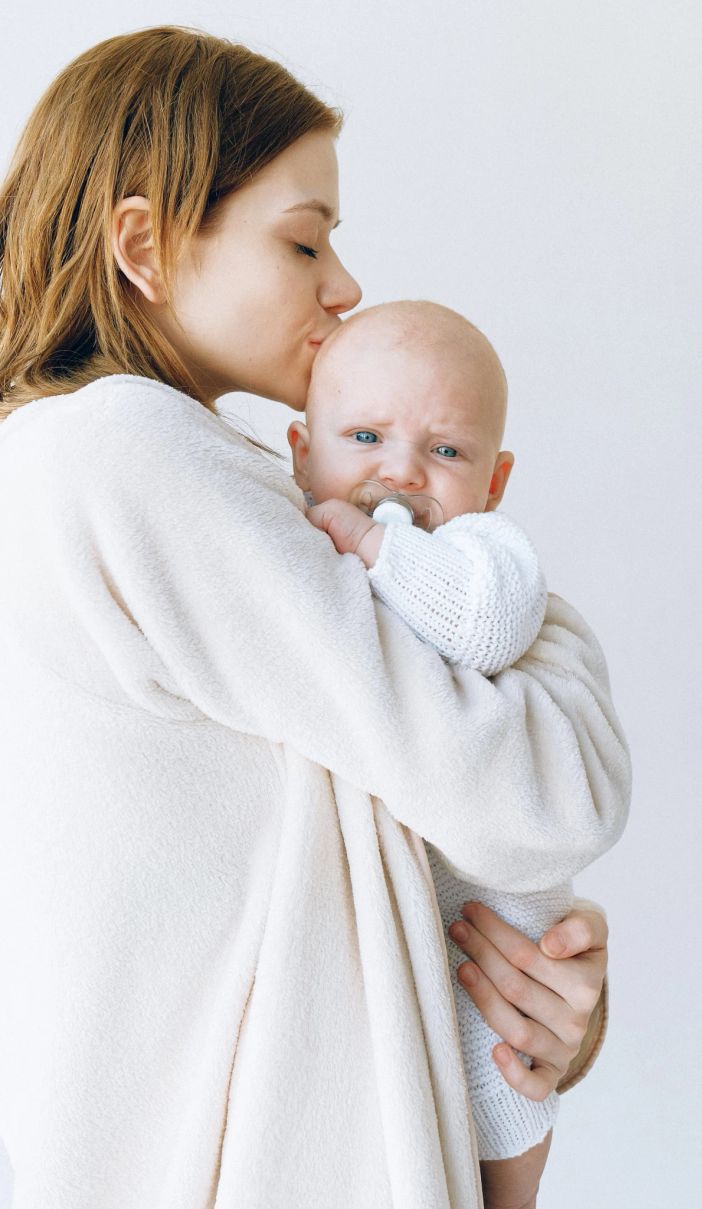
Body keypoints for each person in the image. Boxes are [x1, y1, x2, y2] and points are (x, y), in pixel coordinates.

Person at [0, 27, 631, 1209]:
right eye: (303, 239)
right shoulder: (123, 456)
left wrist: (525, 1005)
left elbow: (401, 817)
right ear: (141, 243)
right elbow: (550, 800)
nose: (343, 286)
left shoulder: (97, 475)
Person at [285, 298, 624, 1163]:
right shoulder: (276, 541)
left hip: (494, 931)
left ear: (494, 483)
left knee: (507, 1101)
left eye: (445, 452)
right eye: (364, 437)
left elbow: (482, 627)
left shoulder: (487, 557)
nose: (401, 474)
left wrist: (379, 547)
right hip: (381, 990)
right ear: (300, 451)